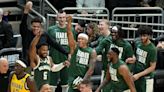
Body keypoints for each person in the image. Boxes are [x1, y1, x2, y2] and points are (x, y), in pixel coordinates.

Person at [20, 1, 68, 65]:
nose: (36, 28)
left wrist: (67, 53)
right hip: (28, 63)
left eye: (38, 27)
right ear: (31, 26)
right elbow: (23, 24)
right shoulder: (26, 33)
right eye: (34, 26)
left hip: (41, 63)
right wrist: (26, 12)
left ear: (41, 27)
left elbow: (55, 44)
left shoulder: (44, 35)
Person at [66, 16, 97, 92]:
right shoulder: (75, 47)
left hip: (84, 80)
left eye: (82, 39)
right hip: (73, 79)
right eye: (78, 39)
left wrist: (83, 81)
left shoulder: (92, 52)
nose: (79, 40)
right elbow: (69, 34)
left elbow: (91, 69)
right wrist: (69, 22)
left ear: (86, 41)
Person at [47, 10, 75, 92]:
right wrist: (49, 57)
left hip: (66, 60)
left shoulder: (71, 30)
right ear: (57, 18)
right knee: (52, 85)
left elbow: (73, 45)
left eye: (63, 17)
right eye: (60, 17)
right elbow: (46, 45)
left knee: (65, 85)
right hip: (54, 59)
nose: (62, 19)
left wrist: (71, 56)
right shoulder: (51, 29)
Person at [133, 26, 157, 92]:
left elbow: (152, 67)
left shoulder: (152, 49)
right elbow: (135, 56)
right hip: (136, 75)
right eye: (140, 35)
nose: (141, 38)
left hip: (146, 78)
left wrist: (138, 75)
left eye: (144, 36)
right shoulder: (138, 43)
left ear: (149, 36)